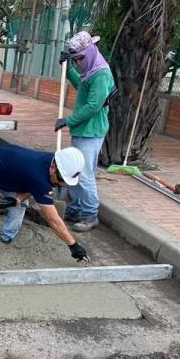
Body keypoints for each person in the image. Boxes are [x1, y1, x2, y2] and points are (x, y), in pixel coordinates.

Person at [55, 31, 115, 232]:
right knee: (75, 171)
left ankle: (90, 215)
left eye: (79, 58)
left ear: (89, 53)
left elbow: (93, 106)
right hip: (81, 130)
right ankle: (74, 209)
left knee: (85, 175)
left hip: (91, 132)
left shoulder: (101, 74)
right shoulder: (89, 71)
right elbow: (80, 85)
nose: (79, 62)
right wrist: (68, 68)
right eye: (75, 59)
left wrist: (68, 120)